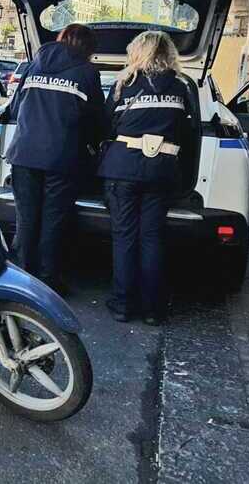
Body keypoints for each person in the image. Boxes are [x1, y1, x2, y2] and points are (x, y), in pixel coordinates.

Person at [98, 31, 190, 326]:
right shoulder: (181, 86)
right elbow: (186, 130)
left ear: (137, 52)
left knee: (124, 237)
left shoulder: (125, 84)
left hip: (122, 169)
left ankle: (123, 305)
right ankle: (153, 309)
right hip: (161, 171)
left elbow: (105, 125)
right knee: (152, 237)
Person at [5, 24, 105, 294]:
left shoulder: (32, 66)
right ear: (87, 48)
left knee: (26, 219)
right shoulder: (87, 73)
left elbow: (15, 108)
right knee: (53, 220)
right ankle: (47, 281)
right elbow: (97, 120)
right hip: (61, 158)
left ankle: (22, 282)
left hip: (24, 154)